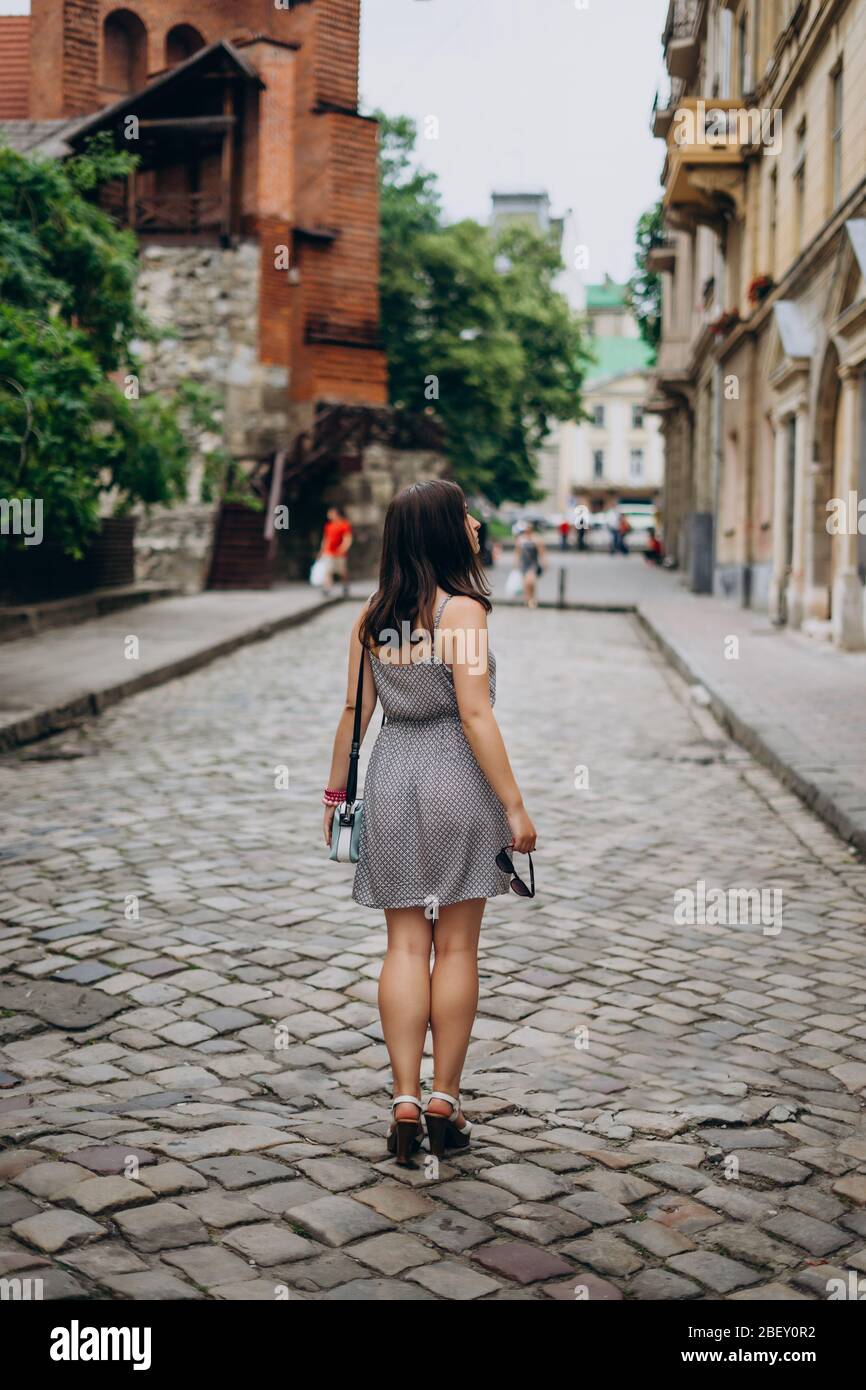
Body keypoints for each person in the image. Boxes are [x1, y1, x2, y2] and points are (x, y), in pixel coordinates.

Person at [322, 480, 537, 1166]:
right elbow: (475, 714)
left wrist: (335, 798)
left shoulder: (373, 613)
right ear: (444, 531)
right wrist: (515, 805)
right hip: (456, 778)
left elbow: (355, 717)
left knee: (405, 946)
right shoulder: (463, 612)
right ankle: (445, 1097)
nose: (475, 521)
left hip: (391, 778)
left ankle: (405, 1100)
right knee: (460, 949)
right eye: (465, 512)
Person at [318, 505, 353, 596]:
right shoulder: (328, 526)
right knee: (328, 571)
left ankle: (345, 586)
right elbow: (326, 539)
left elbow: (347, 538)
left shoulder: (344, 524)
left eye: (330, 513)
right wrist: (322, 550)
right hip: (329, 552)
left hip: (340, 553)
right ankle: (327, 588)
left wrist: (343, 548)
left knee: (342, 572)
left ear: (336, 513)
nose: (328, 515)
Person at [514, 521, 545, 609]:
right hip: (524, 563)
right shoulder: (521, 539)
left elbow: (541, 551)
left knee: (531, 581)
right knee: (525, 583)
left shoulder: (536, 538)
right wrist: (515, 563)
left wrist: (544, 562)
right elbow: (517, 552)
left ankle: (532, 599)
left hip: (533, 563)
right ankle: (527, 599)